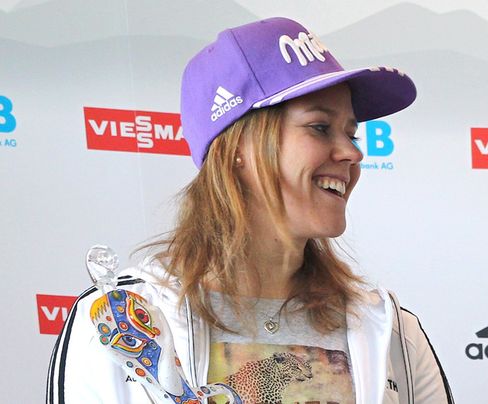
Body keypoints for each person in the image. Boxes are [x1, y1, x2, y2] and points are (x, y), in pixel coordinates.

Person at [47, 17, 453, 404]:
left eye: (352, 133)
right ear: (238, 148)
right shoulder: (119, 324)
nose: (352, 153)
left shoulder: (394, 332)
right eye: (320, 127)